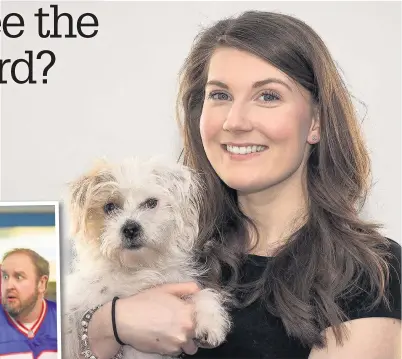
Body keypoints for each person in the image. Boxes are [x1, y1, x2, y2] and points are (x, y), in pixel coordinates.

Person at [78, 10, 401, 359]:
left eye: (268, 96)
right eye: (220, 95)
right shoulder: (165, 249)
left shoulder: (368, 271)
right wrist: (106, 327)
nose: (235, 121)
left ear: (316, 122)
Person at [0, 248, 58, 358]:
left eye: (19, 277)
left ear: (41, 283)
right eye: (5, 277)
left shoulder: (65, 321)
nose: (8, 286)